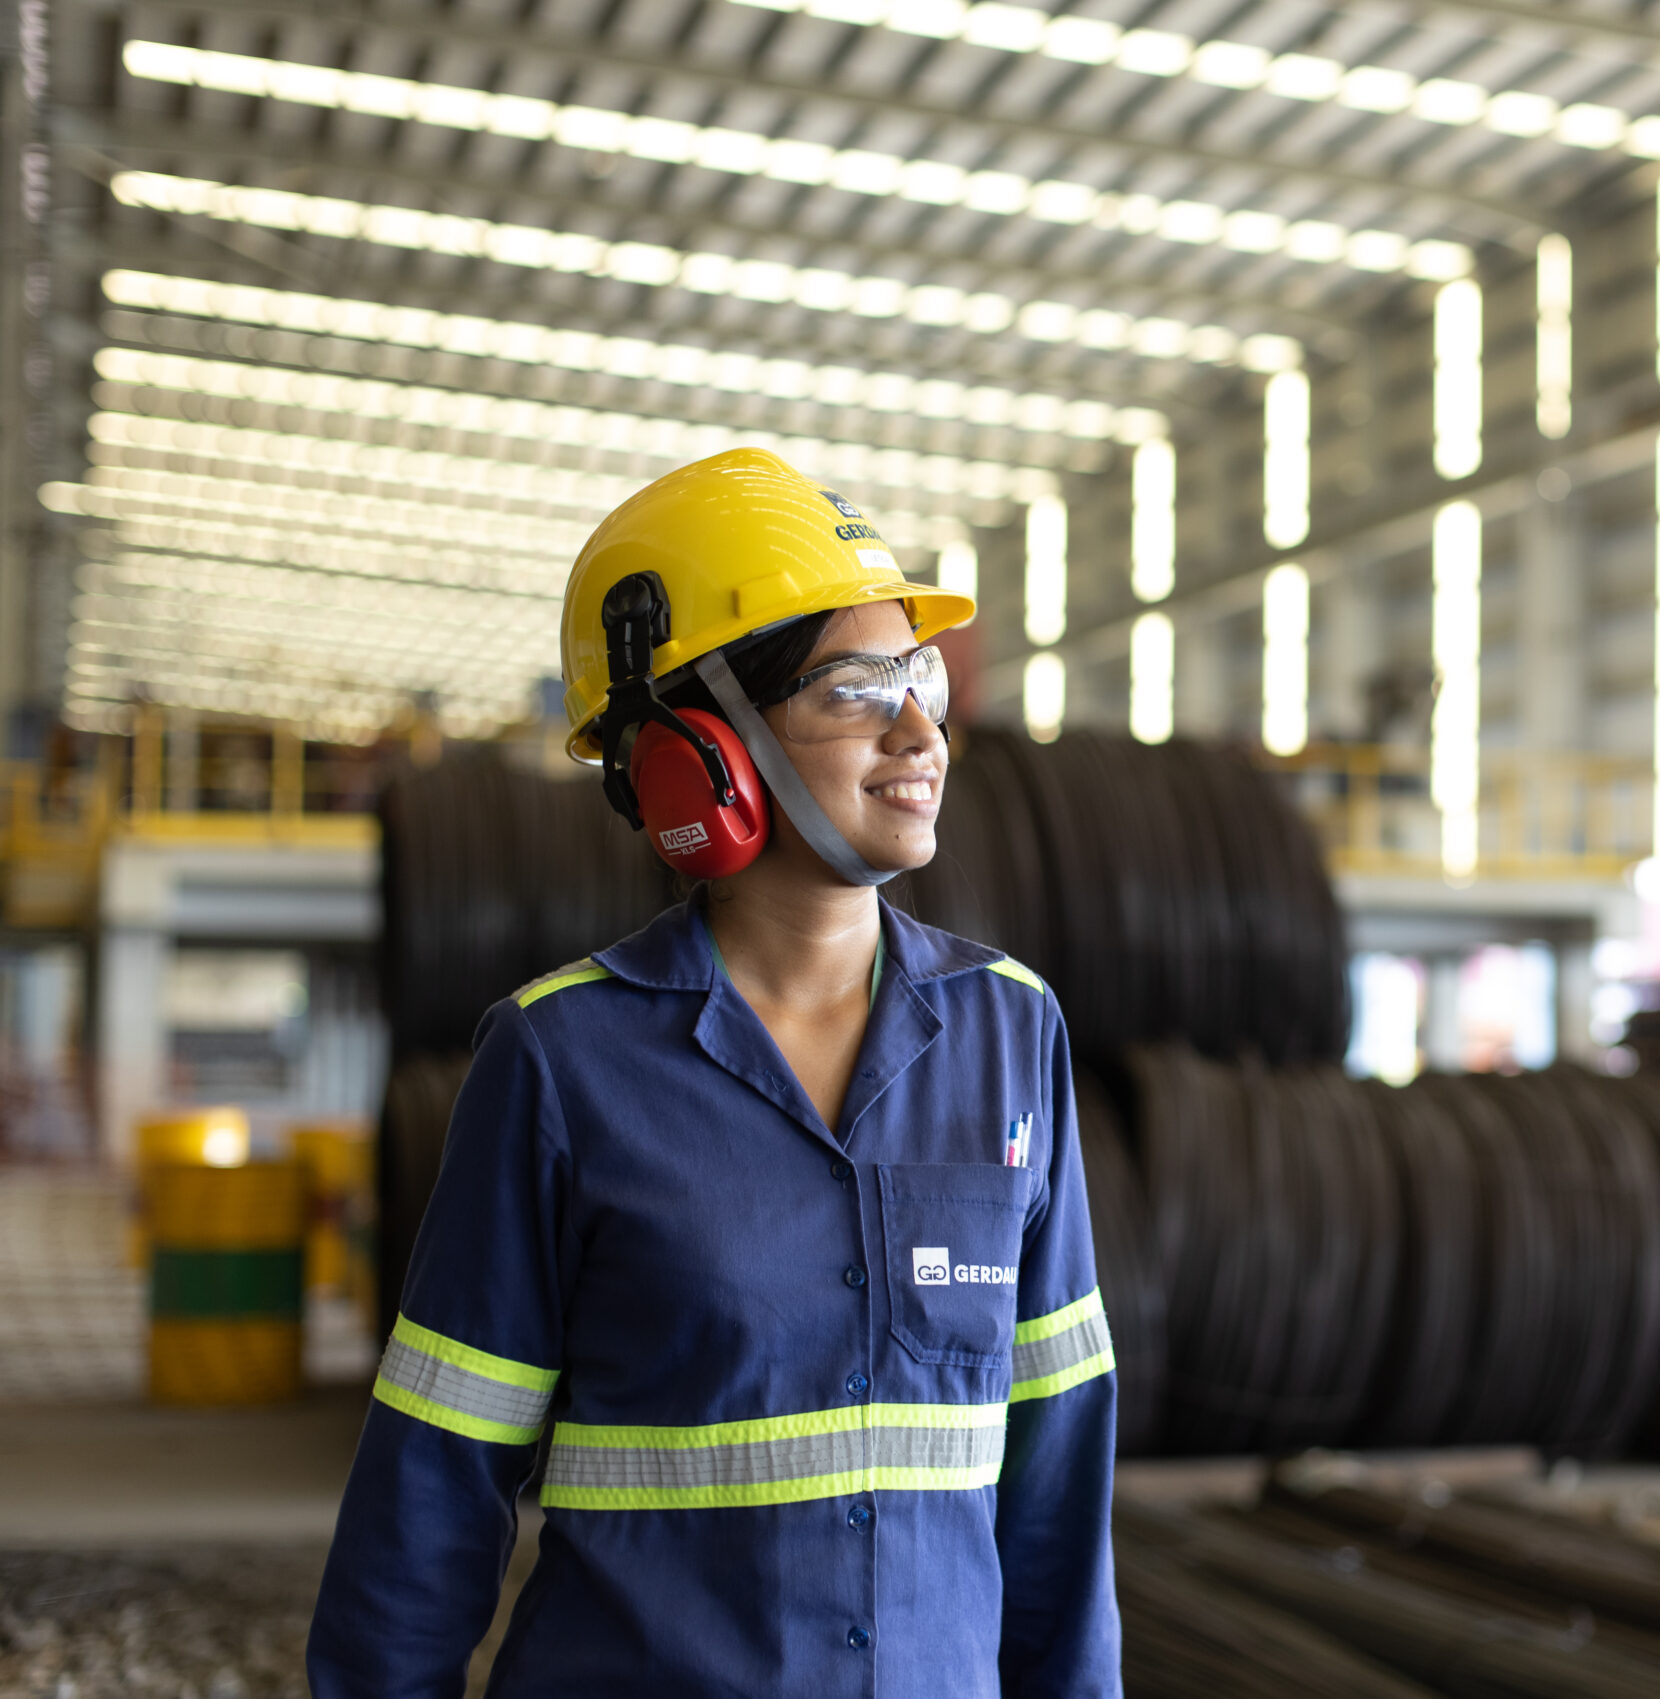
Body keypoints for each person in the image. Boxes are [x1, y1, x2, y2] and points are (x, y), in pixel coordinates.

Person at [309, 448, 1121, 1698]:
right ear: (704, 753)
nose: (920, 732)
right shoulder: (561, 1061)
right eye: (857, 690)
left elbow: (1057, 1476)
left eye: (921, 682)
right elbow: (435, 1485)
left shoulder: (1011, 1034)